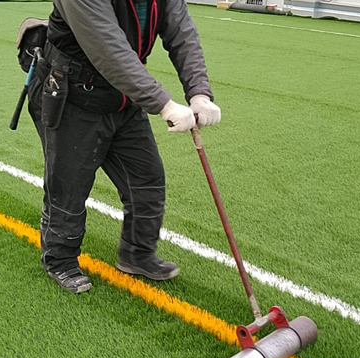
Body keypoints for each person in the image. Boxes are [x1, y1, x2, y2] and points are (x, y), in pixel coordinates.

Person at [27, 0, 221, 294]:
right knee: (69, 184)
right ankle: (59, 259)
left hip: (123, 97)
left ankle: (137, 254)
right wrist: (164, 105)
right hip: (72, 94)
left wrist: (200, 93)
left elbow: (182, 34)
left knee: (146, 177)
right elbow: (108, 48)